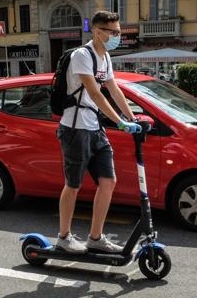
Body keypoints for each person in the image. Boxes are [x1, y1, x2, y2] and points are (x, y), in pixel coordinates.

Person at [56, 10, 142, 254]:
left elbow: (115, 91)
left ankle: (95, 238)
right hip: (75, 128)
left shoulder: (105, 58)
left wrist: (133, 118)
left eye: (118, 32)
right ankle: (64, 237)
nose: (117, 36)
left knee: (108, 181)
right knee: (73, 185)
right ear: (97, 31)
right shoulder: (82, 55)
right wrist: (120, 122)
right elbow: (95, 93)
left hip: (95, 128)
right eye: (113, 32)